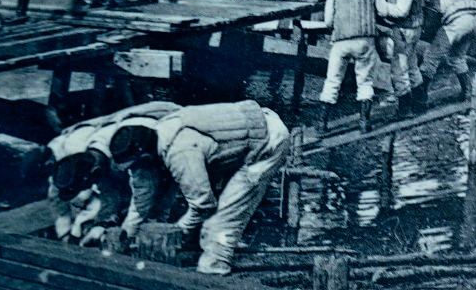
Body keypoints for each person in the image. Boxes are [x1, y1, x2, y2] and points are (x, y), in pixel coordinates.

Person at [109, 100, 291, 276]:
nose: (136, 171)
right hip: (240, 139)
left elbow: (203, 205)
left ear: (145, 158)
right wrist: (126, 234)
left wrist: (178, 230)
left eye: (135, 166)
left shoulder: (180, 153)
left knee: (220, 226)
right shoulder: (157, 134)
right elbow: (142, 198)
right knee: (206, 221)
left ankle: (213, 276)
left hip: (267, 142)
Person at [44, 101, 181, 242]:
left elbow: (143, 197)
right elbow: (109, 193)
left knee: (161, 209)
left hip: (173, 138)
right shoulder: (94, 157)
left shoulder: (126, 148)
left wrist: (125, 234)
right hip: (147, 146)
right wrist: (102, 223)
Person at [319, 0, 404, 127]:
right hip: (365, 40)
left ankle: (322, 124)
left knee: (333, 81)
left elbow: (328, 22)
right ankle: (364, 121)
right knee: (365, 81)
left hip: (341, 41)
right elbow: (383, 11)